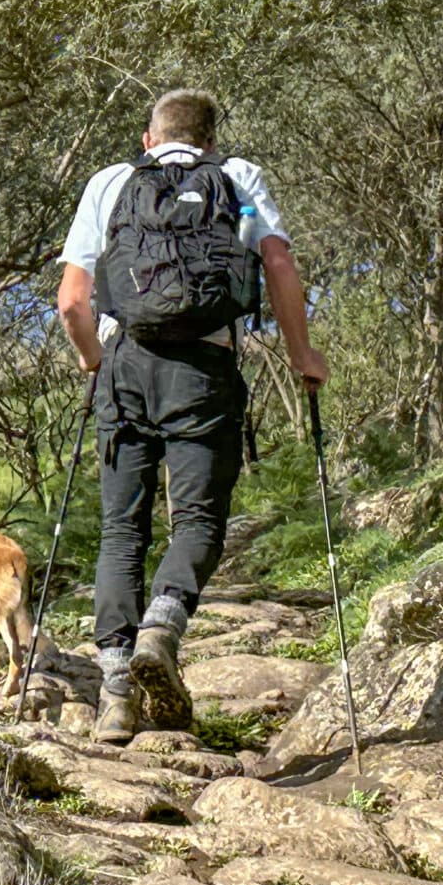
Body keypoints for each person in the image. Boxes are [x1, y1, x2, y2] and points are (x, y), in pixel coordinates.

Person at [56, 88, 328, 744]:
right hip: (205, 369)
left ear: (148, 139)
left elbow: (71, 301)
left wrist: (94, 360)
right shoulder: (236, 177)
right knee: (199, 519)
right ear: (210, 141)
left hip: (125, 366)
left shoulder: (111, 182)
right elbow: (279, 263)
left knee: (123, 530)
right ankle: (162, 625)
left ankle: (115, 694)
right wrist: (302, 353)